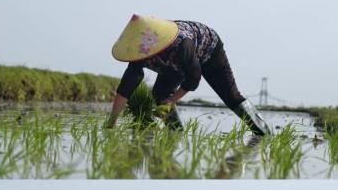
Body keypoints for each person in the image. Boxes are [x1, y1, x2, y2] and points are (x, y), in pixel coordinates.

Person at [106, 15, 271, 135]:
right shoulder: (138, 52)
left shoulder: (182, 44)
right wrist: (111, 124)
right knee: (160, 94)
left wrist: (172, 101)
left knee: (231, 96)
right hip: (174, 63)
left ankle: (265, 134)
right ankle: (176, 132)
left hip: (210, 52)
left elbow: (194, 77)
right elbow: (125, 88)